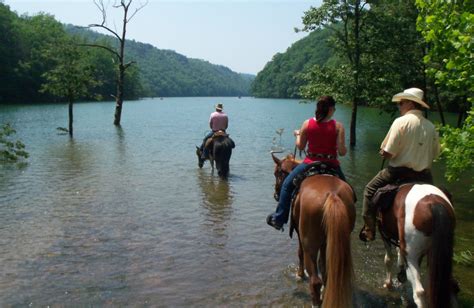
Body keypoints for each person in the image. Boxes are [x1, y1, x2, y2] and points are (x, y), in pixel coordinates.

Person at [359, 87, 440, 242]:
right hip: (424, 175)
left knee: (369, 190)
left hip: (398, 172)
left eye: (401, 103)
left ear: (410, 103)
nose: (399, 106)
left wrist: (383, 153)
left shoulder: (401, 122)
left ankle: (369, 229)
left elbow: (389, 152)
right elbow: (435, 153)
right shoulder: (431, 126)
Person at [267, 95, 347, 231]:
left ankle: (279, 219)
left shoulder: (307, 124)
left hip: (310, 163)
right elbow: (342, 152)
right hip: (331, 164)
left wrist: (298, 135)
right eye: (334, 108)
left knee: (286, 186)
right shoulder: (338, 126)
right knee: (349, 191)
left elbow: (300, 146)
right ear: (331, 109)